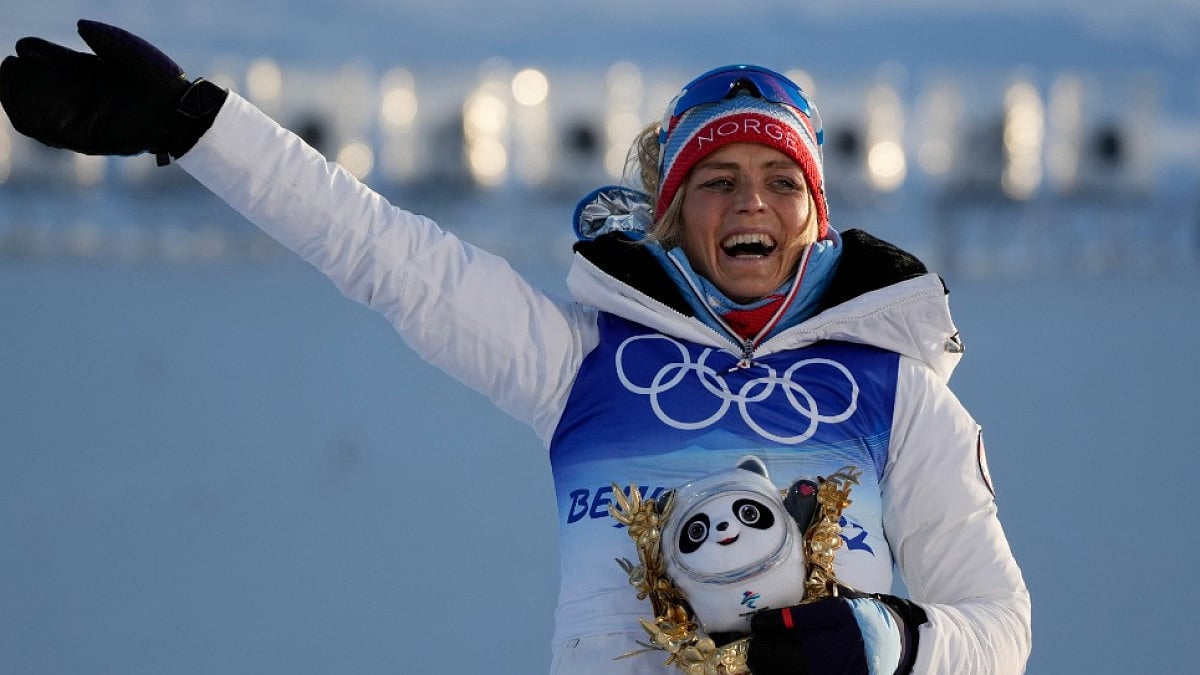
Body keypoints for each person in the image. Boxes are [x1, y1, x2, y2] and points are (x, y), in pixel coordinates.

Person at [0, 20, 1031, 675]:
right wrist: (193, 124)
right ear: (673, 216)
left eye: (781, 180)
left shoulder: (901, 393)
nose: (751, 200)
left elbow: (998, 626)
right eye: (717, 181)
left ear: (817, 213)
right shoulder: (581, 360)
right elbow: (381, 251)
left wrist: (892, 642)